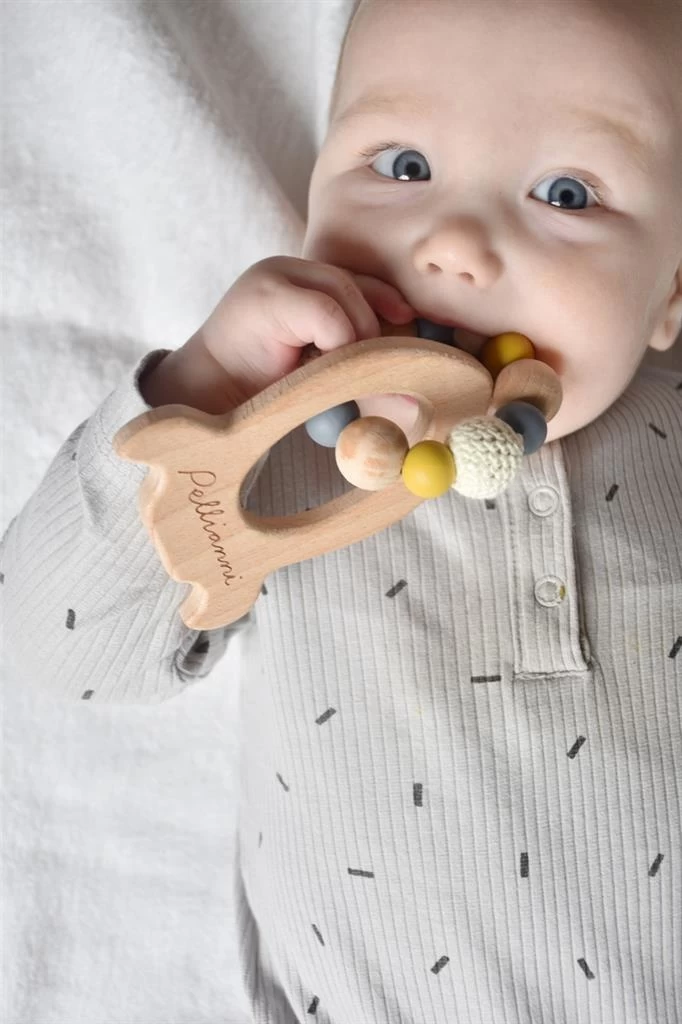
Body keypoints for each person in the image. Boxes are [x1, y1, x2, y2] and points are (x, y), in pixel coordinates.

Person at [2, 0, 681, 1019]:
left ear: (669, 290)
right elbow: (53, 645)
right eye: (401, 166)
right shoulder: (278, 440)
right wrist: (207, 382)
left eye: (566, 191)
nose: (453, 243)